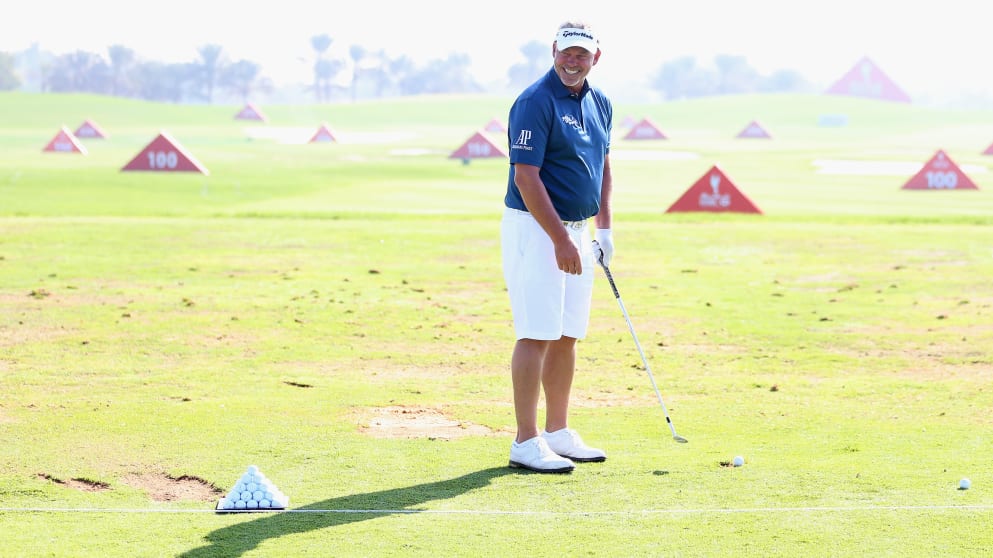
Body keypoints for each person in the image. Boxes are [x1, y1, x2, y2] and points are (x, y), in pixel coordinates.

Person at [501, 20, 614, 473]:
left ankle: (558, 432)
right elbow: (525, 177)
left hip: (578, 230)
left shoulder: (600, 101)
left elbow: (603, 167)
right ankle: (525, 441)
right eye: (567, 53)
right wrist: (561, 239)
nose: (573, 61)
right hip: (536, 228)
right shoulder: (534, 102)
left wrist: (602, 231)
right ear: (554, 51)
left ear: (595, 59)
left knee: (568, 333)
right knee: (537, 331)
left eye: (582, 55)